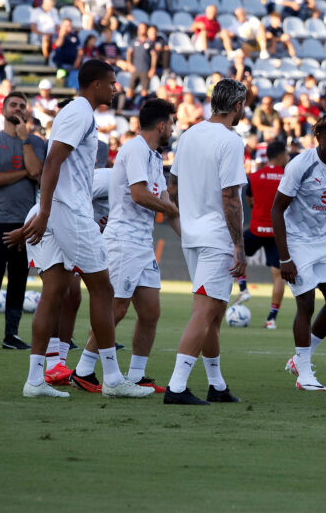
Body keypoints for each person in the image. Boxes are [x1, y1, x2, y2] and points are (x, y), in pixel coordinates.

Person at [14, 59, 153, 399]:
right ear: (95, 85)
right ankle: (113, 379)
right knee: (103, 290)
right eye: (111, 82)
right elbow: (52, 162)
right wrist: (45, 211)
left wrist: (46, 211)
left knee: (55, 292)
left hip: (64, 209)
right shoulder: (80, 113)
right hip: (71, 212)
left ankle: (36, 379)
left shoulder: (75, 112)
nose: (116, 88)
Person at [71, 98, 179, 393]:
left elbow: (168, 206)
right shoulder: (135, 149)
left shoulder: (155, 157)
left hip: (142, 244)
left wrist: (192, 242)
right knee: (116, 309)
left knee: (150, 312)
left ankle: (136, 375)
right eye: (172, 122)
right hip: (123, 241)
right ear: (161, 125)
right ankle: (83, 371)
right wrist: (170, 211)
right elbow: (140, 195)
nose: (173, 128)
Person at [163, 78, 250, 406]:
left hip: (193, 237)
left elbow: (171, 188)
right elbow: (231, 198)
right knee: (204, 312)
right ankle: (176, 387)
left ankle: (216, 384)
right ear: (238, 105)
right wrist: (238, 245)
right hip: (216, 239)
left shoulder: (188, 135)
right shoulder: (230, 141)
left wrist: (185, 226)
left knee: (213, 313)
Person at [273, 114, 326, 391]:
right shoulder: (300, 166)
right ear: (318, 138)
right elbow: (277, 210)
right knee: (305, 302)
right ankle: (304, 374)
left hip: (324, 242)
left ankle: (299, 359)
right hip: (296, 241)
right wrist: (285, 257)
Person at [0, 93, 46, 350]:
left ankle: (11, 336)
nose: (17, 109)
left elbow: (37, 172)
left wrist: (25, 139)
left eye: (22, 106)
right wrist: (23, 174)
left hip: (26, 220)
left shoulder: (36, 143)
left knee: (18, 278)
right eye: (13, 105)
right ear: (3, 109)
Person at [233, 140, 289, 329]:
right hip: (277, 232)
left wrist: (255, 204)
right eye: (287, 154)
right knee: (278, 275)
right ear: (280, 156)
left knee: (236, 251)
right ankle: (271, 318)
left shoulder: (255, 176)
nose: (288, 158)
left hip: (257, 229)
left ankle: (243, 288)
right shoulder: (288, 177)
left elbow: (249, 198)